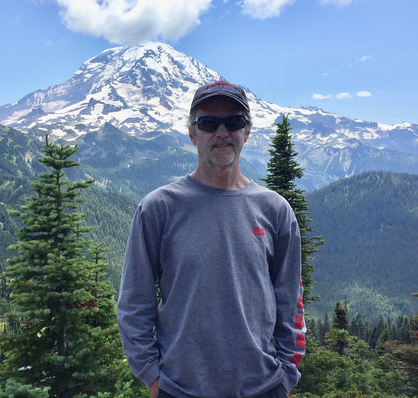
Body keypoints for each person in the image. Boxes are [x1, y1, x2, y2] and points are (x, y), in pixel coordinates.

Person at [118, 81, 306, 398]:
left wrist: (286, 377)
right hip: (179, 389)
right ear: (193, 133)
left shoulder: (275, 211)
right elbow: (134, 303)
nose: (222, 132)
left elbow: (291, 304)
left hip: (264, 387)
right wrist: (152, 377)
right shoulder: (158, 209)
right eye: (208, 122)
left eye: (233, 122)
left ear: (247, 132)